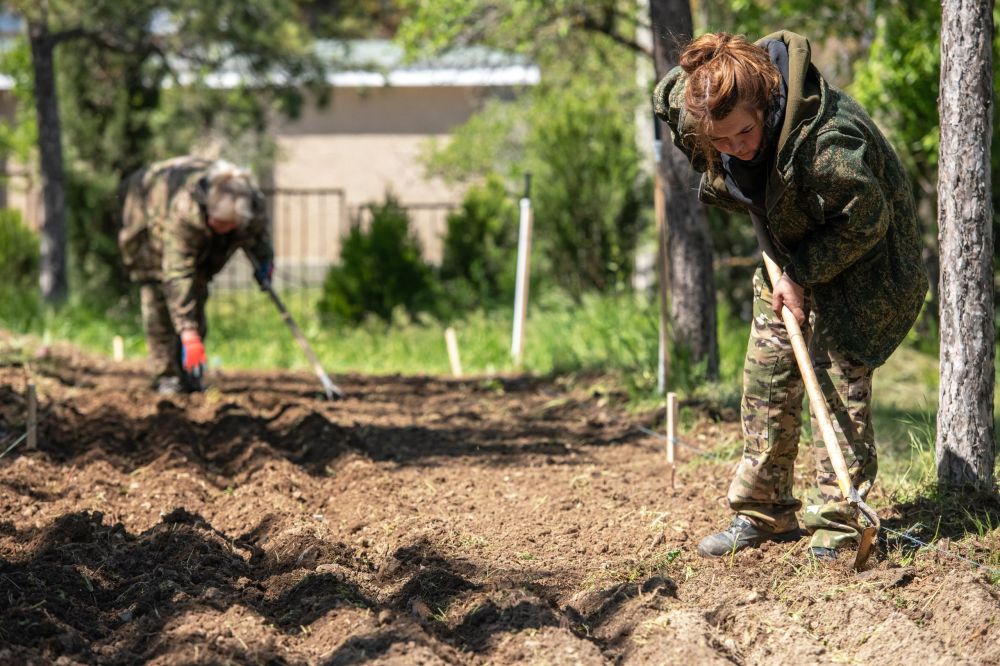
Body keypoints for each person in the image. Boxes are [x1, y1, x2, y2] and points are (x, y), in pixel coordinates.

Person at [653, 32, 927, 561]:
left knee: (836, 390)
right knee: (769, 378)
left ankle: (843, 523)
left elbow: (868, 219)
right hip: (791, 251)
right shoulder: (703, 109)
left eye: (744, 134)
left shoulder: (828, 143)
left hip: (866, 266)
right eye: (722, 141)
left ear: (767, 100)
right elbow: (665, 92)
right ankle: (762, 512)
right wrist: (717, 147)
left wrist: (799, 276)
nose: (737, 148)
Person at [118, 156, 275, 395]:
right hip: (150, 222)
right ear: (208, 208)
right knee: (158, 297)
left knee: (198, 292)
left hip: (195, 239)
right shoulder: (185, 209)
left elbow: (258, 235)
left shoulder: (250, 204)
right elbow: (178, 273)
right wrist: (188, 332)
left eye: (228, 226)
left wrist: (265, 263)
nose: (221, 229)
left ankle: (190, 375)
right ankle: (166, 376)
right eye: (217, 222)